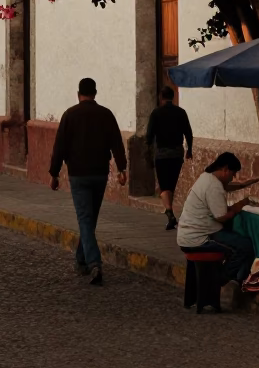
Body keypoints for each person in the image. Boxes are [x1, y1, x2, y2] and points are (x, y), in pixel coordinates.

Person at [49, 77, 127, 286]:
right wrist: (122, 168)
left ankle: (94, 263)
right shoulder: (106, 114)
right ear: (95, 93)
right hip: (100, 174)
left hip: (79, 175)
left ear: (78, 94)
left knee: (85, 219)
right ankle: (81, 260)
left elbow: (60, 146)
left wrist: (54, 173)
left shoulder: (70, 115)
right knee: (90, 219)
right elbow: (116, 142)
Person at [177, 152, 259, 291]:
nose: (233, 177)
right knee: (245, 246)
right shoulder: (214, 186)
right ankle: (219, 281)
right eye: (232, 173)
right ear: (225, 169)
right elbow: (221, 217)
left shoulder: (207, 178)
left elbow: (241, 185)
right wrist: (239, 205)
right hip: (199, 239)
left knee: (237, 241)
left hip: (190, 235)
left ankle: (236, 279)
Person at [145, 85, 193, 230]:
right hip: (177, 153)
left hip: (162, 154)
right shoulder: (181, 112)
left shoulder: (156, 113)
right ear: (173, 96)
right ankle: (170, 212)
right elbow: (188, 133)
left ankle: (170, 211)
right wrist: (189, 149)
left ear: (161, 97)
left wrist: (148, 152)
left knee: (164, 186)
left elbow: (149, 136)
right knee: (171, 184)